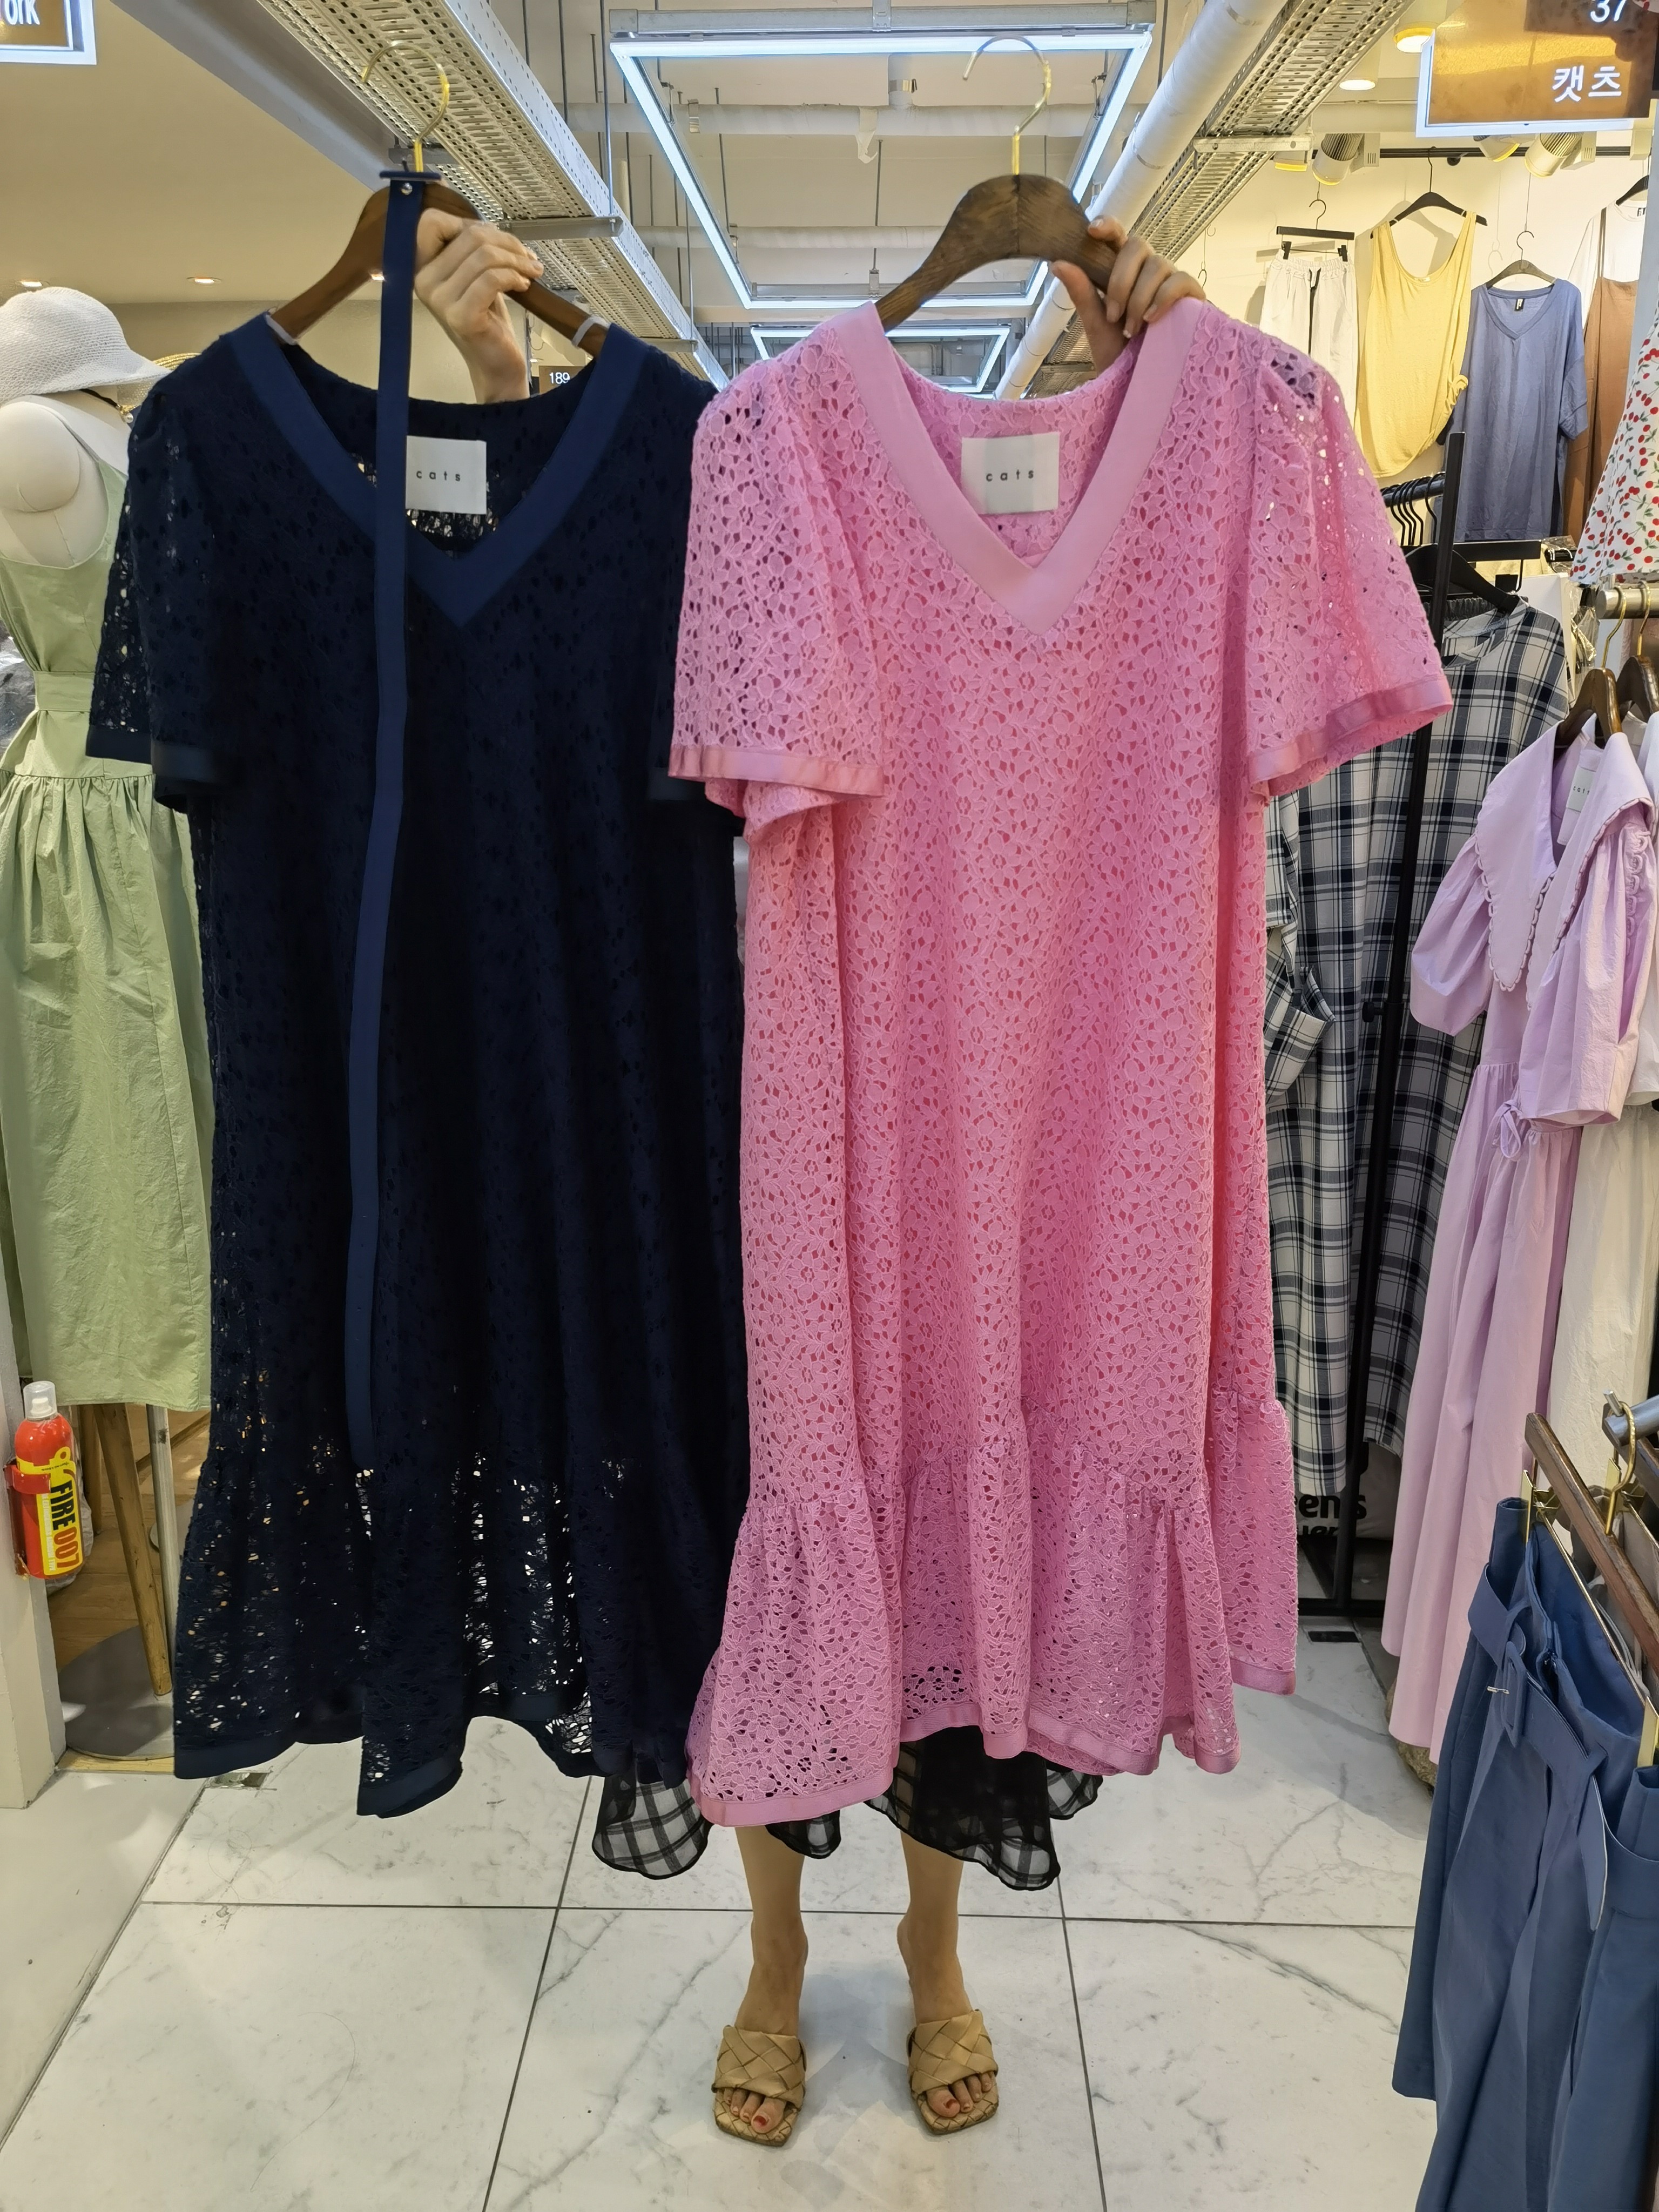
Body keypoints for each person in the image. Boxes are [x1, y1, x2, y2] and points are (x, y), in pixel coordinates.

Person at [411, 210, 1206, 2141]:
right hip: (742, 1074)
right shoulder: (759, 441)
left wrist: (1169, 377)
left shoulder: (1119, 455)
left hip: (956, 1086)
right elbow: (552, 604)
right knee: (760, 1541)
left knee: (952, 1519)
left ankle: (932, 1949)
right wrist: (505, 396)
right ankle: (774, 1957)